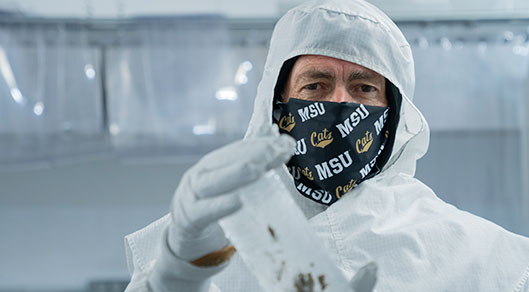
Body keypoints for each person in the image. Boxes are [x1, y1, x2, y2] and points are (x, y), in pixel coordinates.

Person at [124, 0, 529, 291]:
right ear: (276, 103)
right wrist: (177, 277)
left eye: (364, 87)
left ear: (395, 116)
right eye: (315, 84)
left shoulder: (485, 258)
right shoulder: (202, 241)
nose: (339, 103)